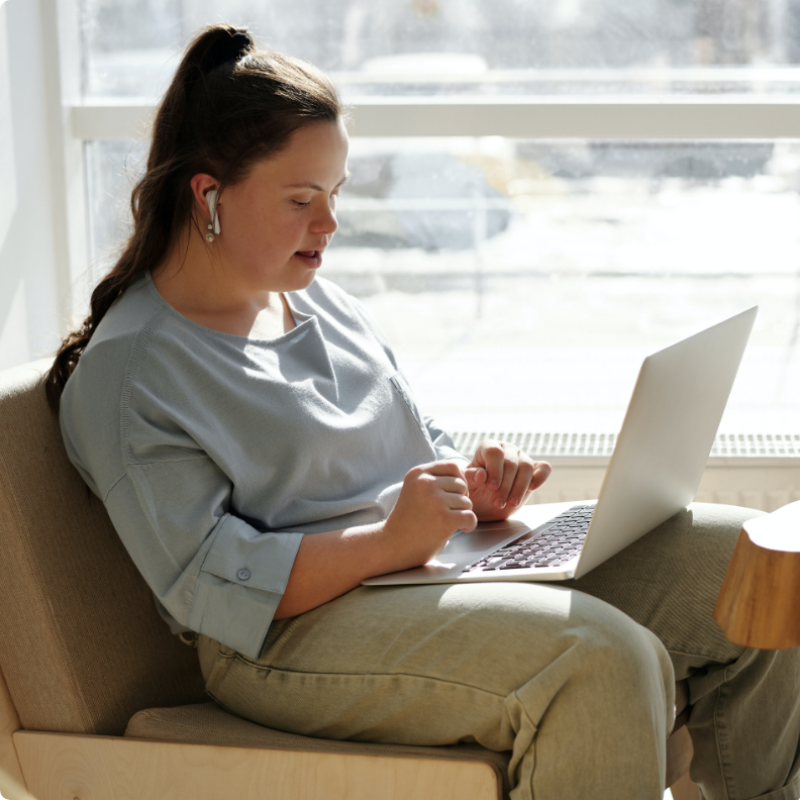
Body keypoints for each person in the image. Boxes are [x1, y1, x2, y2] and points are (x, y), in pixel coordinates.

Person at [46, 24, 800, 800]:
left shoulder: (314, 302)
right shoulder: (133, 372)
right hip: (282, 639)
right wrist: (388, 542)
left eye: (334, 196)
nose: (329, 225)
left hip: (419, 572)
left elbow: (416, 446)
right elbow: (211, 586)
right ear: (208, 195)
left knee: (755, 563)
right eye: (301, 200)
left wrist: (472, 489)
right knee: (600, 657)